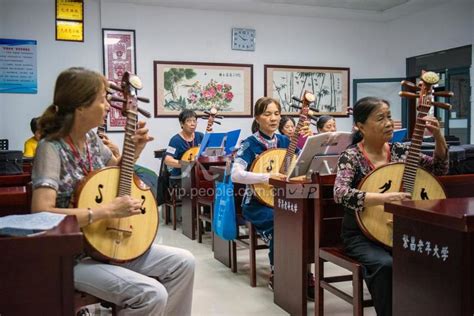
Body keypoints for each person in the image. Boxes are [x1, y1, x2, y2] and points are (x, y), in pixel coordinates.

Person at [31, 67, 195, 315]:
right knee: (151, 293)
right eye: (102, 99)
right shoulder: (51, 148)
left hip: (106, 242)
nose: (107, 106)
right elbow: (41, 212)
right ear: (81, 106)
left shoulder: (92, 142)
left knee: (185, 262)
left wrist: (135, 150)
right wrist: (104, 210)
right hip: (74, 256)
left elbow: (115, 172)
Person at [333, 96, 448, 316]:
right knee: (386, 265)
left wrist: (439, 138)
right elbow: (340, 193)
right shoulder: (351, 156)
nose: (388, 123)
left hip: (400, 230)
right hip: (361, 234)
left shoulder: (401, 151)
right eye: (380, 118)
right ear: (360, 126)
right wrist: (385, 198)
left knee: (437, 256)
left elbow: (439, 170)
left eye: (389, 117)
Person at [231, 97, 314, 299]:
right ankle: (278, 271)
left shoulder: (286, 141)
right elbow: (236, 174)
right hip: (257, 203)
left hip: (285, 200)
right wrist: (267, 177)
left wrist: (309, 141)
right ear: (257, 117)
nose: (273, 118)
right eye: (267, 114)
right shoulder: (249, 144)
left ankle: (305, 272)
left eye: (277, 113)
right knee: (281, 224)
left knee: (305, 221)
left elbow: (305, 164)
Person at [164, 109, 204, 185]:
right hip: (180, 178)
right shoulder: (175, 140)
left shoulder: (200, 136)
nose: (192, 124)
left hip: (197, 175)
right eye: (189, 121)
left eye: (194, 121)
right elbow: (168, 160)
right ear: (182, 124)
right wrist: (187, 164)